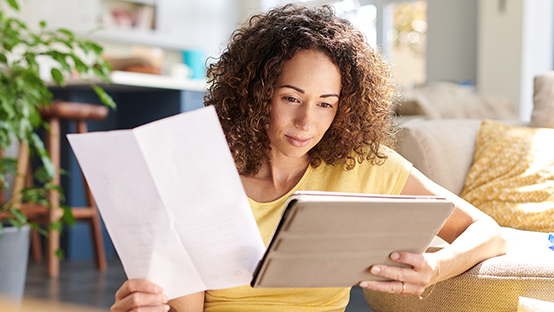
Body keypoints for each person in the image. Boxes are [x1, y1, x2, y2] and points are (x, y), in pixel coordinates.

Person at [111, 4, 507, 312]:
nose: (306, 122)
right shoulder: (200, 174)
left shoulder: (363, 166)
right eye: (291, 98)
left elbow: (488, 232)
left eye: (325, 105)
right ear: (256, 92)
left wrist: (436, 268)